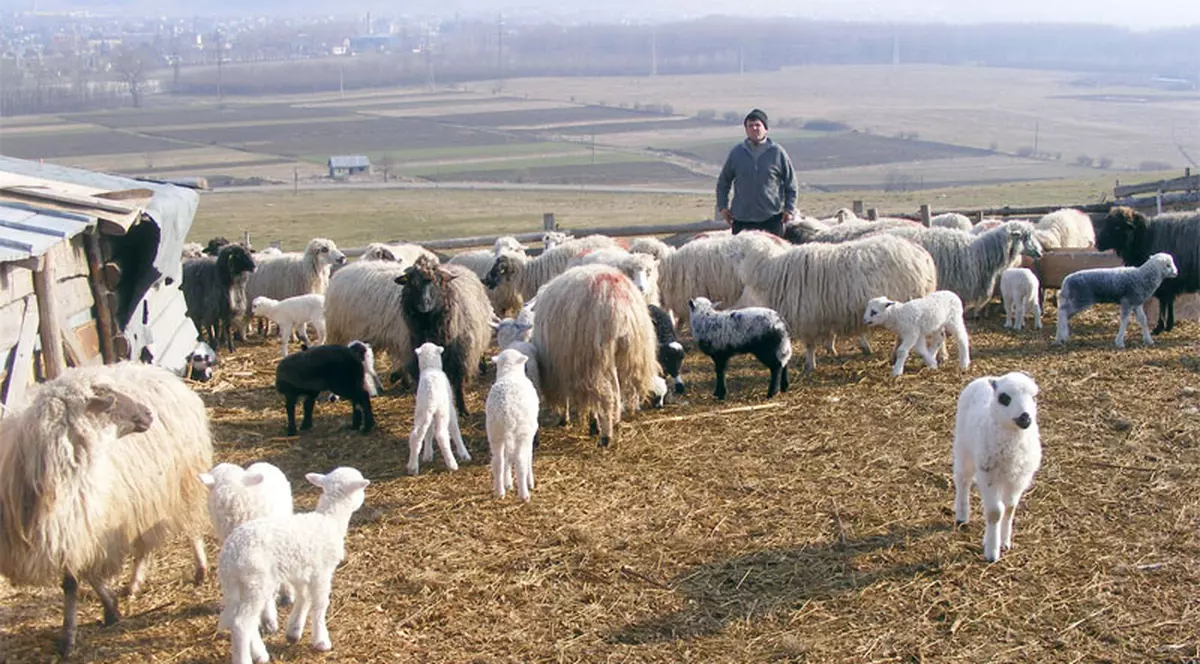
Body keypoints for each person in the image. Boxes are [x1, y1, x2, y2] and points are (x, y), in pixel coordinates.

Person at [715, 108, 798, 238]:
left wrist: (789, 209)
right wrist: (722, 207)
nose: (754, 128)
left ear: (765, 128)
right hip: (742, 220)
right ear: (746, 129)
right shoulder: (737, 153)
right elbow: (723, 183)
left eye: (758, 125)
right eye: (750, 125)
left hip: (772, 219)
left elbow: (791, 184)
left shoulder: (777, 153)